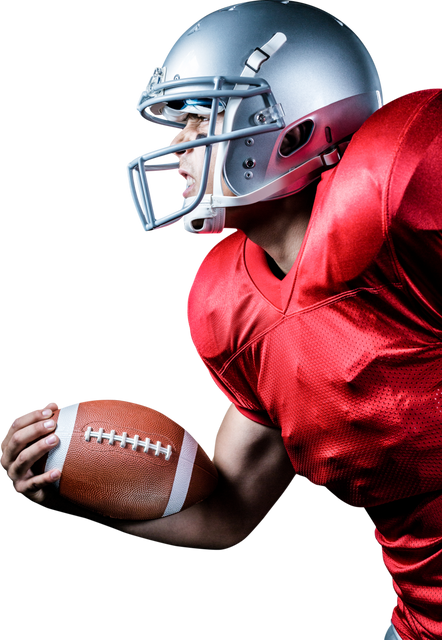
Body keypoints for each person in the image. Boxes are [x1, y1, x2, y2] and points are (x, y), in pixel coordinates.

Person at [1, 2, 440, 639]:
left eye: (198, 120)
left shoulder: (404, 186)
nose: (175, 147)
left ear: (293, 132)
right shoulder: (228, 306)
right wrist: (69, 482)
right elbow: (227, 511)